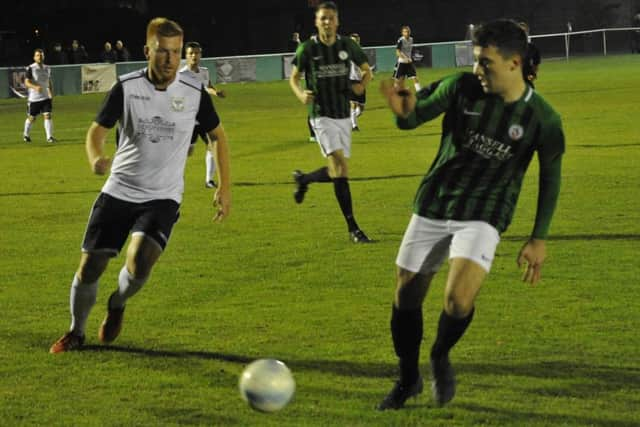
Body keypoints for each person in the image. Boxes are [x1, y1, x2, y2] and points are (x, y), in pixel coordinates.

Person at [376, 19, 565, 410]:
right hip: (436, 201)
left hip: (486, 212)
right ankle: (408, 376)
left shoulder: (543, 119)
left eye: (486, 63)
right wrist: (400, 110)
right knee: (406, 294)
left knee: (458, 300)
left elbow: (551, 176)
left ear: (515, 63)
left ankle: (440, 355)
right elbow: (413, 117)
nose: (477, 69)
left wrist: (538, 237)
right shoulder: (461, 87)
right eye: (476, 60)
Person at [49, 17, 231, 354]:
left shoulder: (194, 94)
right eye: (163, 52)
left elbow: (217, 137)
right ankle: (76, 331)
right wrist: (96, 158)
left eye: (176, 52)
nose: (170, 60)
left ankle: (117, 303)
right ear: (147, 51)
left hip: (162, 197)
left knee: (139, 262)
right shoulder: (127, 87)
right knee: (90, 267)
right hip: (119, 189)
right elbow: (96, 131)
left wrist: (224, 187)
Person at [289, 1, 373, 244]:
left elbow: (367, 70)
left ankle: (304, 179)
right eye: (322, 18)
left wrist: (361, 85)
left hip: (343, 114)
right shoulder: (307, 49)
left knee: (338, 171)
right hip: (321, 114)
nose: (327, 22)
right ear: (317, 22)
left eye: (331, 18)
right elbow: (293, 78)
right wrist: (300, 94)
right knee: (340, 166)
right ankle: (353, 229)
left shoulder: (347, 45)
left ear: (337, 21)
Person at [179, 41, 227, 188]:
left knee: (213, 145)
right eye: (191, 53)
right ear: (186, 56)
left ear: (200, 54)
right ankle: (174, 177)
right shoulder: (181, 75)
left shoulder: (204, 72)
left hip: (204, 118)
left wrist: (216, 92)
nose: (194, 56)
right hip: (188, 120)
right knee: (187, 152)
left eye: (197, 53)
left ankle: (209, 180)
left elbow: (208, 86)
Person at [23, 48, 56, 143]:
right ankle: (26, 134)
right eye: (37, 55)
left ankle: (49, 137)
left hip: (46, 97)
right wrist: (35, 87)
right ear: (34, 57)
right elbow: (26, 82)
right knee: (32, 118)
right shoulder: (31, 68)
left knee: (48, 115)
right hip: (34, 99)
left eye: (41, 55)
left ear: (44, 56)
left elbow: (48, 81)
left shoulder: (47, 68)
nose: (40, 57)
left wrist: (50, 92)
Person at [349, 33, 369, 131]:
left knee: (361, 109)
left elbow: (365, 67)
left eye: (356, 40)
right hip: (351, 80)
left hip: (361, 81)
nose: (355, 42)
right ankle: (354, 126)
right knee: (353, 103)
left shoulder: (361, 53)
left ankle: (350, 120)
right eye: (353, 41)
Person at [393, 26, 421, 92]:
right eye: (405, 32)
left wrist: (410, 57)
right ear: (402, 33)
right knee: (399, 79)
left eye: (408, 31)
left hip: (409, 62)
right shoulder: (400, 40)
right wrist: (405, 58)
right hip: (401, 62)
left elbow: (409, 50)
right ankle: (394, 91)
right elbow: (397, 52)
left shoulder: (411, 39)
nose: (407, 33)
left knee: (414, 77)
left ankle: (420, 92)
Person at [519, 22, 541, 88]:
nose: (523, 33)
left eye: (525, 31)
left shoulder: (533, 48)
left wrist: (533, 75)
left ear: (528, 33)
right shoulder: (510, 48)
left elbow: (536, 63)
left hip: (527, 81)